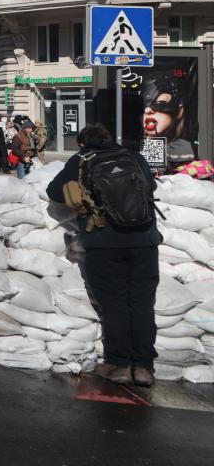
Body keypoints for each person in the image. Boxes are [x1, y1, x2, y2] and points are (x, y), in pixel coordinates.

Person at [47, 123, 161, 387]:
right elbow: (151, 187)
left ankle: (118, 365)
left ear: (82, 143)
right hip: (144, 240)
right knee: (142, 303)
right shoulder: (133, 157)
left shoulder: (81, 159)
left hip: (103, 242)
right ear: (109, 138)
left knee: (114, 303)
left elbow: (54, 192)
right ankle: (144, 367)